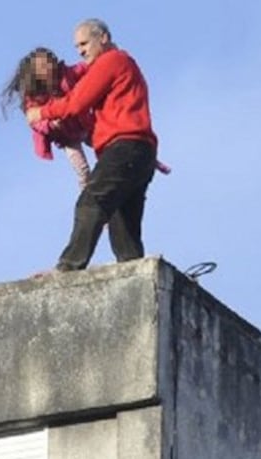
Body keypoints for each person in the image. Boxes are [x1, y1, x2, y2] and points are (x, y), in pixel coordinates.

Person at [26, 19, 160, 272]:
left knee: (91, 202)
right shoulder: (125, 63)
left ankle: (68, 267)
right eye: (77, 46)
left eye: (85, 43)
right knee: (123, 222)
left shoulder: (111, 61)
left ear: (104, 38)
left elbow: (76, 102)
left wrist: (42, 112)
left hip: (124, 147)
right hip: (140, 151)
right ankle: (132, 271)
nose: (81, 51)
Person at [0, 47, 95, 189]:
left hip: (84, 124)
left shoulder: (66, 74)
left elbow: (84, 68)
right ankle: (88, 195)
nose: (48, 68)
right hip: (66, 137)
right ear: (35, 73)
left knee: (107, 145)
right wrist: (50, 125)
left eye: (49, 63)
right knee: (82, 169)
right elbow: (35, 121)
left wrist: (98, 61)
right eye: (43, 67)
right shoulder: (34, 97)